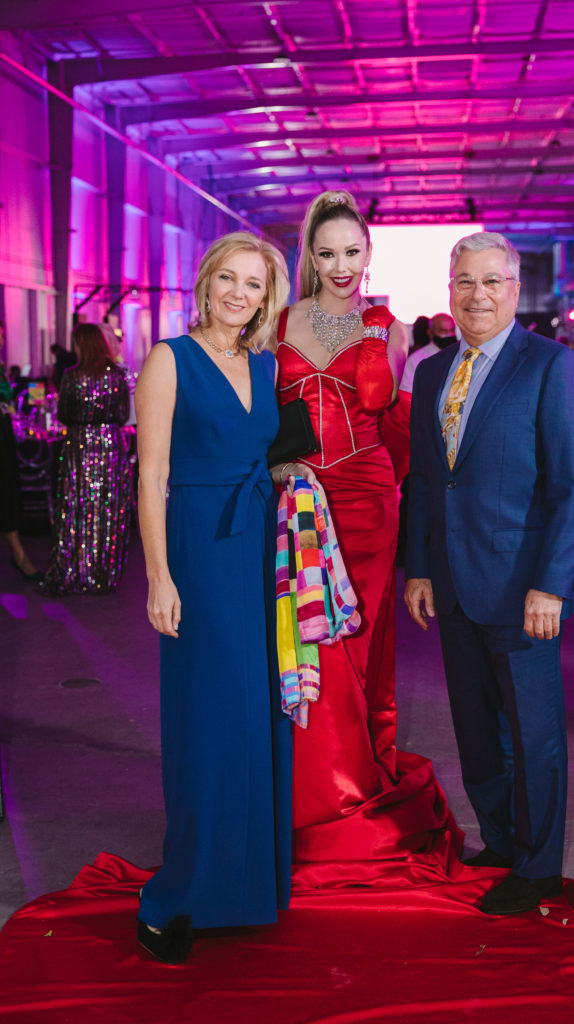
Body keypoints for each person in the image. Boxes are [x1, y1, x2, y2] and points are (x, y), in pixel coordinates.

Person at [134, 231, 315, 964]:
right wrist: (158, 576)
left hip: (259, 550)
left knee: (254, 715)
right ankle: (176, 897)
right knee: (205, 722)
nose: (239, 294)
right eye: (229, 280)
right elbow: (150, 478)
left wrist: (297, 487)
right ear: (205, 283)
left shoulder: (266, 365)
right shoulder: (167, 360)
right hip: (197, 551)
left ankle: (245, 887)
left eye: (254, 285)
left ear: (264, 300)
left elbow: (267, 457)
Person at [404, 231, 574, 915]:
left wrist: (550, 582)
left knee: (534, 730)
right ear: (449, 289)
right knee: (476, 726)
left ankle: (539, 867)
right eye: (465, 281)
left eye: (492, 281)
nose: (477, 294)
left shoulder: (551, 366)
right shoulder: (430, 372)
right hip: (454, 583)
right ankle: (500, 840)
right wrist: (420, 568)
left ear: (514, 290)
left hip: (523, 588)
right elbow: (427, 480)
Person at [276, 190, 461, 888]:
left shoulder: (387, 326)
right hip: (298, 498)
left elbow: (391, 414)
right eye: (327, 253)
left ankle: (351, 782)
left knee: (358, 640)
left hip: (366, 501)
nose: (341, 265)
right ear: (310, 256)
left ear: (368, 253)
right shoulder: (278, 321)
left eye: (352, 251)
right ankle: (316, 787)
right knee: (310, 637)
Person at [44, 324, 132, 594]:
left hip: (78, 446)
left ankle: (75, 571)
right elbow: (123, 413)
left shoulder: (71, 376)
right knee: (108, 509)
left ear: (82, 344)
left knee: (75, 508)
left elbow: (63, 414)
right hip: (110, 447)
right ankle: (103, 574)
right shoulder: (117, 375)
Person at [0, 320, 43, 581]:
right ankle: (19, 556)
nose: (2, 340)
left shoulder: (2, 368)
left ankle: (19, 555)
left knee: (7, 491)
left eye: (2, 335)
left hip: (3, 432)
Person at [400, 312, 458, 393]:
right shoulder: (416, 360)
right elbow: (407, 392)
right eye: (443, 331)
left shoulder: (463, 354)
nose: (448, 335)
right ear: (430, 333)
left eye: (451, 330)